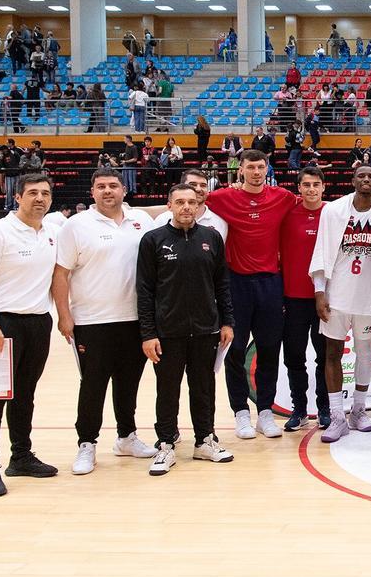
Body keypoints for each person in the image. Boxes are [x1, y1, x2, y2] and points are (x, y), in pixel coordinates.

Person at [52, 169, 157, 475]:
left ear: (124, 189)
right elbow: (61, 273)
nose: (108, 191)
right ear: (92, 192)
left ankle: (126, 437)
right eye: (101, 187)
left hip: (135, 319)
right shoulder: (76, 226)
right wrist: (64, 315)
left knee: (128, 384)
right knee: (93, 385)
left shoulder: (141, 221)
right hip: (92, 321)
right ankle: (87, 444)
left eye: (113, 185)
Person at [0, 173, 58, 497]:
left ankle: (20, 457)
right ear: (17, 197)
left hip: (37, 323)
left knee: (25, 395)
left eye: (45, 193)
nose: (39, 199)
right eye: (32, 193)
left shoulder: (52, 230)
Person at [137, 184, 235, 476]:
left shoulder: (212, 237)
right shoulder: (153, 240)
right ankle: (166, 443)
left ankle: (205, 440)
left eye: (191, 202)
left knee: (204, 388)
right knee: (167, 390)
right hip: (167, 331)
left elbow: (222, 284)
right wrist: (148, 333)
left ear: (198, 206)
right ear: (169, 205)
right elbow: (144, 290)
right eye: (180, 202)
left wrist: (227, 321)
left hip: (206, 329)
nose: (186, 207)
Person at [204, 150, 298, 440]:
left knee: (269, 349)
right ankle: (240, 413)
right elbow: (189, 202)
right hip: (236, 284)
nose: (256, 171)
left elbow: (315, 204)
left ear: (267, 168)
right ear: (240, 169)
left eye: (261, 166)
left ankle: (265, 412)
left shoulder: (282, 197)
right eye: (250, 167)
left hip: (270, 282)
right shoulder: (222, 198)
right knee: (234, 350)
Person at [307, 165, 371, 441]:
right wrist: (319, 291)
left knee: (364, 353)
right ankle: (337, 416)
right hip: (337, 294)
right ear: (352, 180)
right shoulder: (333, 211)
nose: (366, 179)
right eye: (361, 175)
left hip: (369, 295)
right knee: (332, 353)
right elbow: (322, 251)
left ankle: (359, 411)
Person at [274, 166, 333, 433]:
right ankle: (300, 410)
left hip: (325, 299)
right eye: (306, 185)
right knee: (294, 356)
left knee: (324, 357)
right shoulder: (288, 212)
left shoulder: (332, 214)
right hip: (293, 298)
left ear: (323, 187)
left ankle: (324, 409)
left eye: (315, 185)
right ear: (299, 188)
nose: (311, 189)